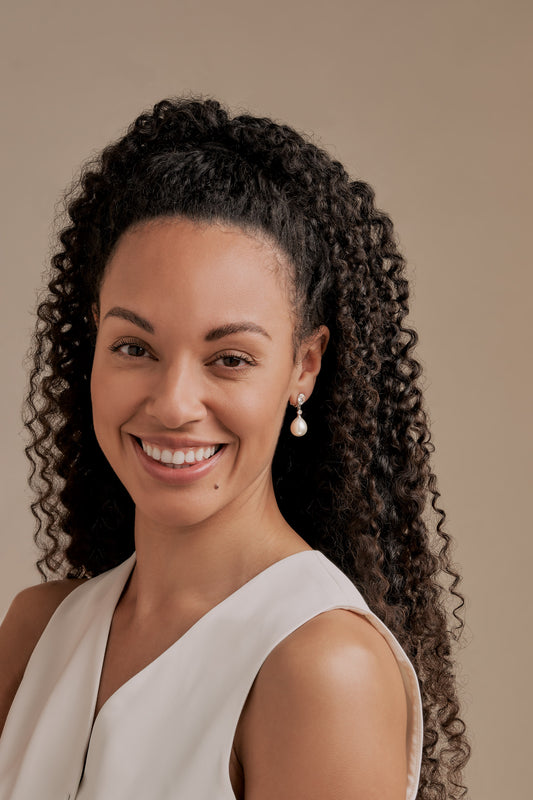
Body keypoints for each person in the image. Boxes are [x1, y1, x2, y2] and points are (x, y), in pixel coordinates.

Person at [0, 96, 470, 799]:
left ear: (304, 366)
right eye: (135, 346)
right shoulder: (36, 632)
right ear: (92, 340)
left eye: (230, 358)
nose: (172, 403)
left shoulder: (319, 667)